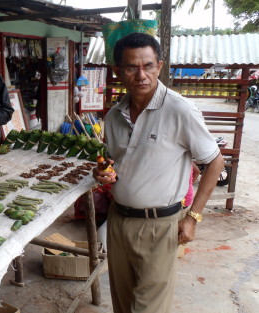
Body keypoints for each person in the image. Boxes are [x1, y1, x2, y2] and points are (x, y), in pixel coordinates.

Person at [93, 33, 224, 313]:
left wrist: (193, 217)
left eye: (148, 66)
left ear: (159, 66)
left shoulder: (180, 110)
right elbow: (115, 161)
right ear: (118, 71)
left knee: (147, 309)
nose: (141, 75)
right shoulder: (114, 116)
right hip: (118, 221)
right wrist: (105, 173)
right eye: (131, 67)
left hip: (160, 226)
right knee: (123, 305)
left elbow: (215, 162)